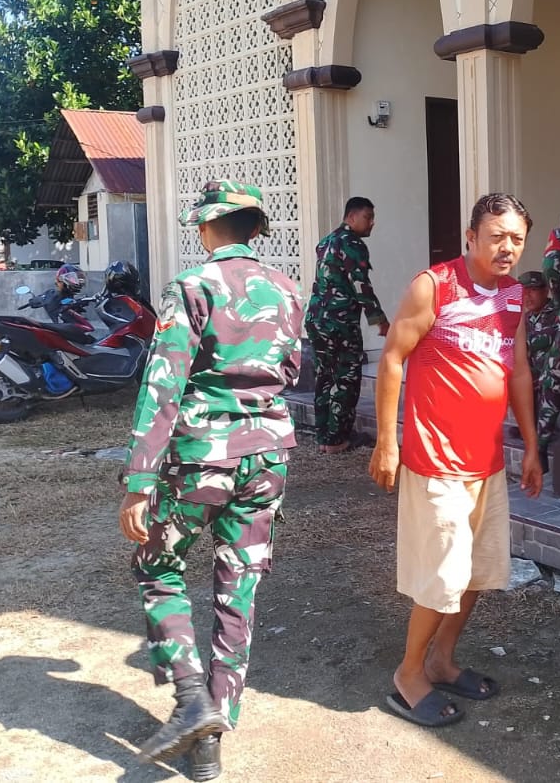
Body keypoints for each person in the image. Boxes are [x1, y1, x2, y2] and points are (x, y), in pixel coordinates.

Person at [118, 180, 303, 781]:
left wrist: (140, 478)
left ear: (204, 228)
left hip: (202, 458)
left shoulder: (192, 287)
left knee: (157, 565)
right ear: (255, 229)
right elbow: (291, 369)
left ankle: (191, 698)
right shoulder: (287, 289)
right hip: (267, 458)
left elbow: (163, 382)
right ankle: (210, 740)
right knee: (238, 587)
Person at [369, 193, 545, 729]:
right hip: (435, 461)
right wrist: (386, 441)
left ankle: (442, 662)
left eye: (516, 239)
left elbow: (518, 371)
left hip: (485, 462)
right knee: (443, 576)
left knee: (473, 574)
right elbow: (393, 358)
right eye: (496, 236)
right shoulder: (435, 285)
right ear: (471, 237)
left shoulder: (514, 296)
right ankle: (409, 673)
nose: (507, 247)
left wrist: (531, 445)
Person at [306, 197, 390, 453]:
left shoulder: (327, 241)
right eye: (367, 217)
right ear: (351, 217)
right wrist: (379, 320)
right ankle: (338, 439)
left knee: (324, 376)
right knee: (347, 378)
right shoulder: (352, 243)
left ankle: (324, 436)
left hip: (317, 319)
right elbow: (361, 285)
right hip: (340, 322)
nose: (372, 223)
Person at [519, 270, 560, 464]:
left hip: (559, 380)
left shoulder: (558, 314)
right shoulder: (525, 319)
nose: (527, 296)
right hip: (535, 380)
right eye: (523, 291)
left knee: (545, 378)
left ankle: (539, 446)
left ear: (546, 291)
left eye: (533, 290)